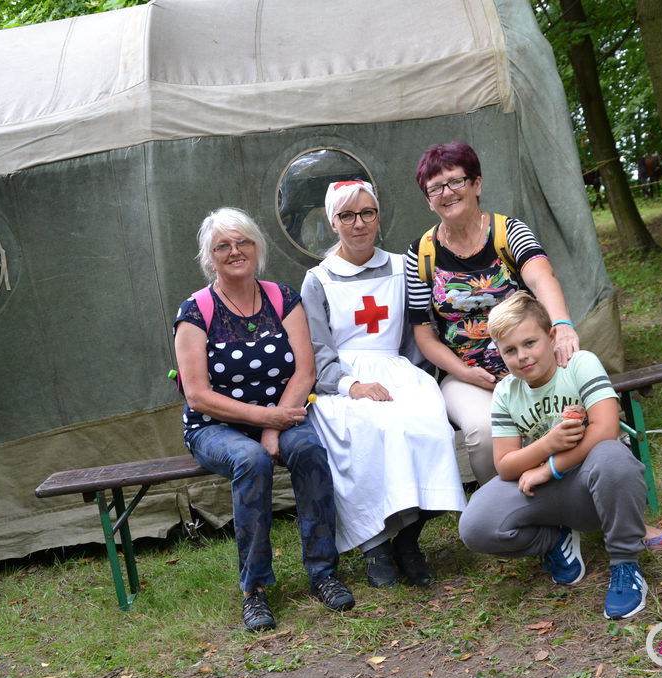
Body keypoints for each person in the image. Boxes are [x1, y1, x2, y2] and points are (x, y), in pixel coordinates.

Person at [174, 207, 354, 633]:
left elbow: (305, 372)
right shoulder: (196, 311)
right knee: (251, 460)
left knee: (309, 448)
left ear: (258, 248)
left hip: (283, 416)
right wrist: (263, 418)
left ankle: (324, 572)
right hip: (214, 426)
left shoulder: (282, 298)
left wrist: (274, 425)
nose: (235, 251)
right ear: (210, 258)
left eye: (244, 242)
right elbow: (198, 393)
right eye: (223, 246)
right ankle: (254, 591)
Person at [301, 181, 466, 588]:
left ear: (378, 216)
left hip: (398, 370)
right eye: (347, 216)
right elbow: (318, 350)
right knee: (370, 431)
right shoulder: (318, 280)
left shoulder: (400, 266)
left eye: (367, 213)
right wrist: (351, 385)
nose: (359, 224)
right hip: (341, 381)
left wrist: (412, 379)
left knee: (429, 425)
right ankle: (376, 544)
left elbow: (415, 336)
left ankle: (408, 537)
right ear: (332, 222)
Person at [458, 291, 649, 620]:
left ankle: (625, 565)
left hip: (594, 487)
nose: (522, 357)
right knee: (475, 525)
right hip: (542, 493)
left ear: (550, 337)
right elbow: (505, 466)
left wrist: (550, 467)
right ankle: (554, 540)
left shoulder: (579, 364)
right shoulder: (506, 391)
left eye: (530, 343)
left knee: (613, 457)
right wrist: (548, 444)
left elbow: (605, 428)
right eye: (510, 350)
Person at [404, 141, 580, 485]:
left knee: (572, 411)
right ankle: (508, 515)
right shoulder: (420, 254)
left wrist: (562, 325)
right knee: (484, 434)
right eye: (435, 187)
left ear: (477, 184)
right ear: (428, 199)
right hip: (466, 375)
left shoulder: (509, 232)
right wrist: (465, 373)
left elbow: (541, 276)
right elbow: (423, 333)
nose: (447, 192)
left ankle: (577, 496)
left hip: (530, 359)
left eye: (456, 181)